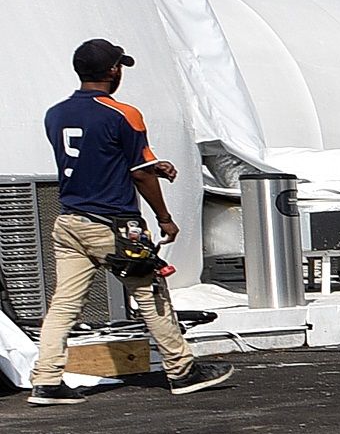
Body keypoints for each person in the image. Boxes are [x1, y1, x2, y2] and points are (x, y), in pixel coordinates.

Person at [29, 40, 232, 407]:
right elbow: (138, 175)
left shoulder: (55, 114)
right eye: (119, 66)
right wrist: (165, 217)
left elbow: (96, 158)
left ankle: (46, 380)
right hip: (114, 224)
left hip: (70, 220)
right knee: (150, 291)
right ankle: (182, 369)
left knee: (63, 305)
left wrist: (152, 165)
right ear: (112, 71)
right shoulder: (124, 113)